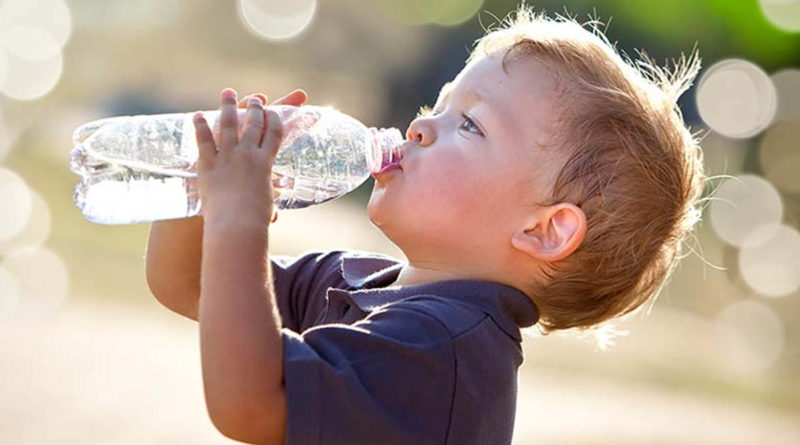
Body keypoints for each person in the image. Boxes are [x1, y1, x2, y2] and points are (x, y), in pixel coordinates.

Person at [145, 6, 704, 445]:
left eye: (468, 124)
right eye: (436, 105)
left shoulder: (444, 349)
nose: (418, 127)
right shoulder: (361, 282)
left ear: (543, 230)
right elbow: (188, 281)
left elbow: (248, 404)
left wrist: (240, 221)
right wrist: (204, 189)